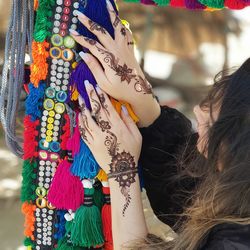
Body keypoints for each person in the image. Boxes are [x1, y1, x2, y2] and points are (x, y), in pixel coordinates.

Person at [70, 2, 250, 249]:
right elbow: (185, 190)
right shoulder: (237, 194)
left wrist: (121, 169)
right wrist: (138, 92)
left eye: (212, 125)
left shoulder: (234, 240)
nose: (198, 111)